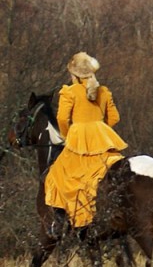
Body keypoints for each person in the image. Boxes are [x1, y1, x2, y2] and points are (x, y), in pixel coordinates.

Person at [45, 52, 128, 231]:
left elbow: (61, 119)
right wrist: (100, 130)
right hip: (102, 139)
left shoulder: (69, 92)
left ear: (74, 74)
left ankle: (59, 222)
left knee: (56, 175)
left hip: (77, 139)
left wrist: (69, 136)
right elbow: (114, 118)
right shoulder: (104, 92)